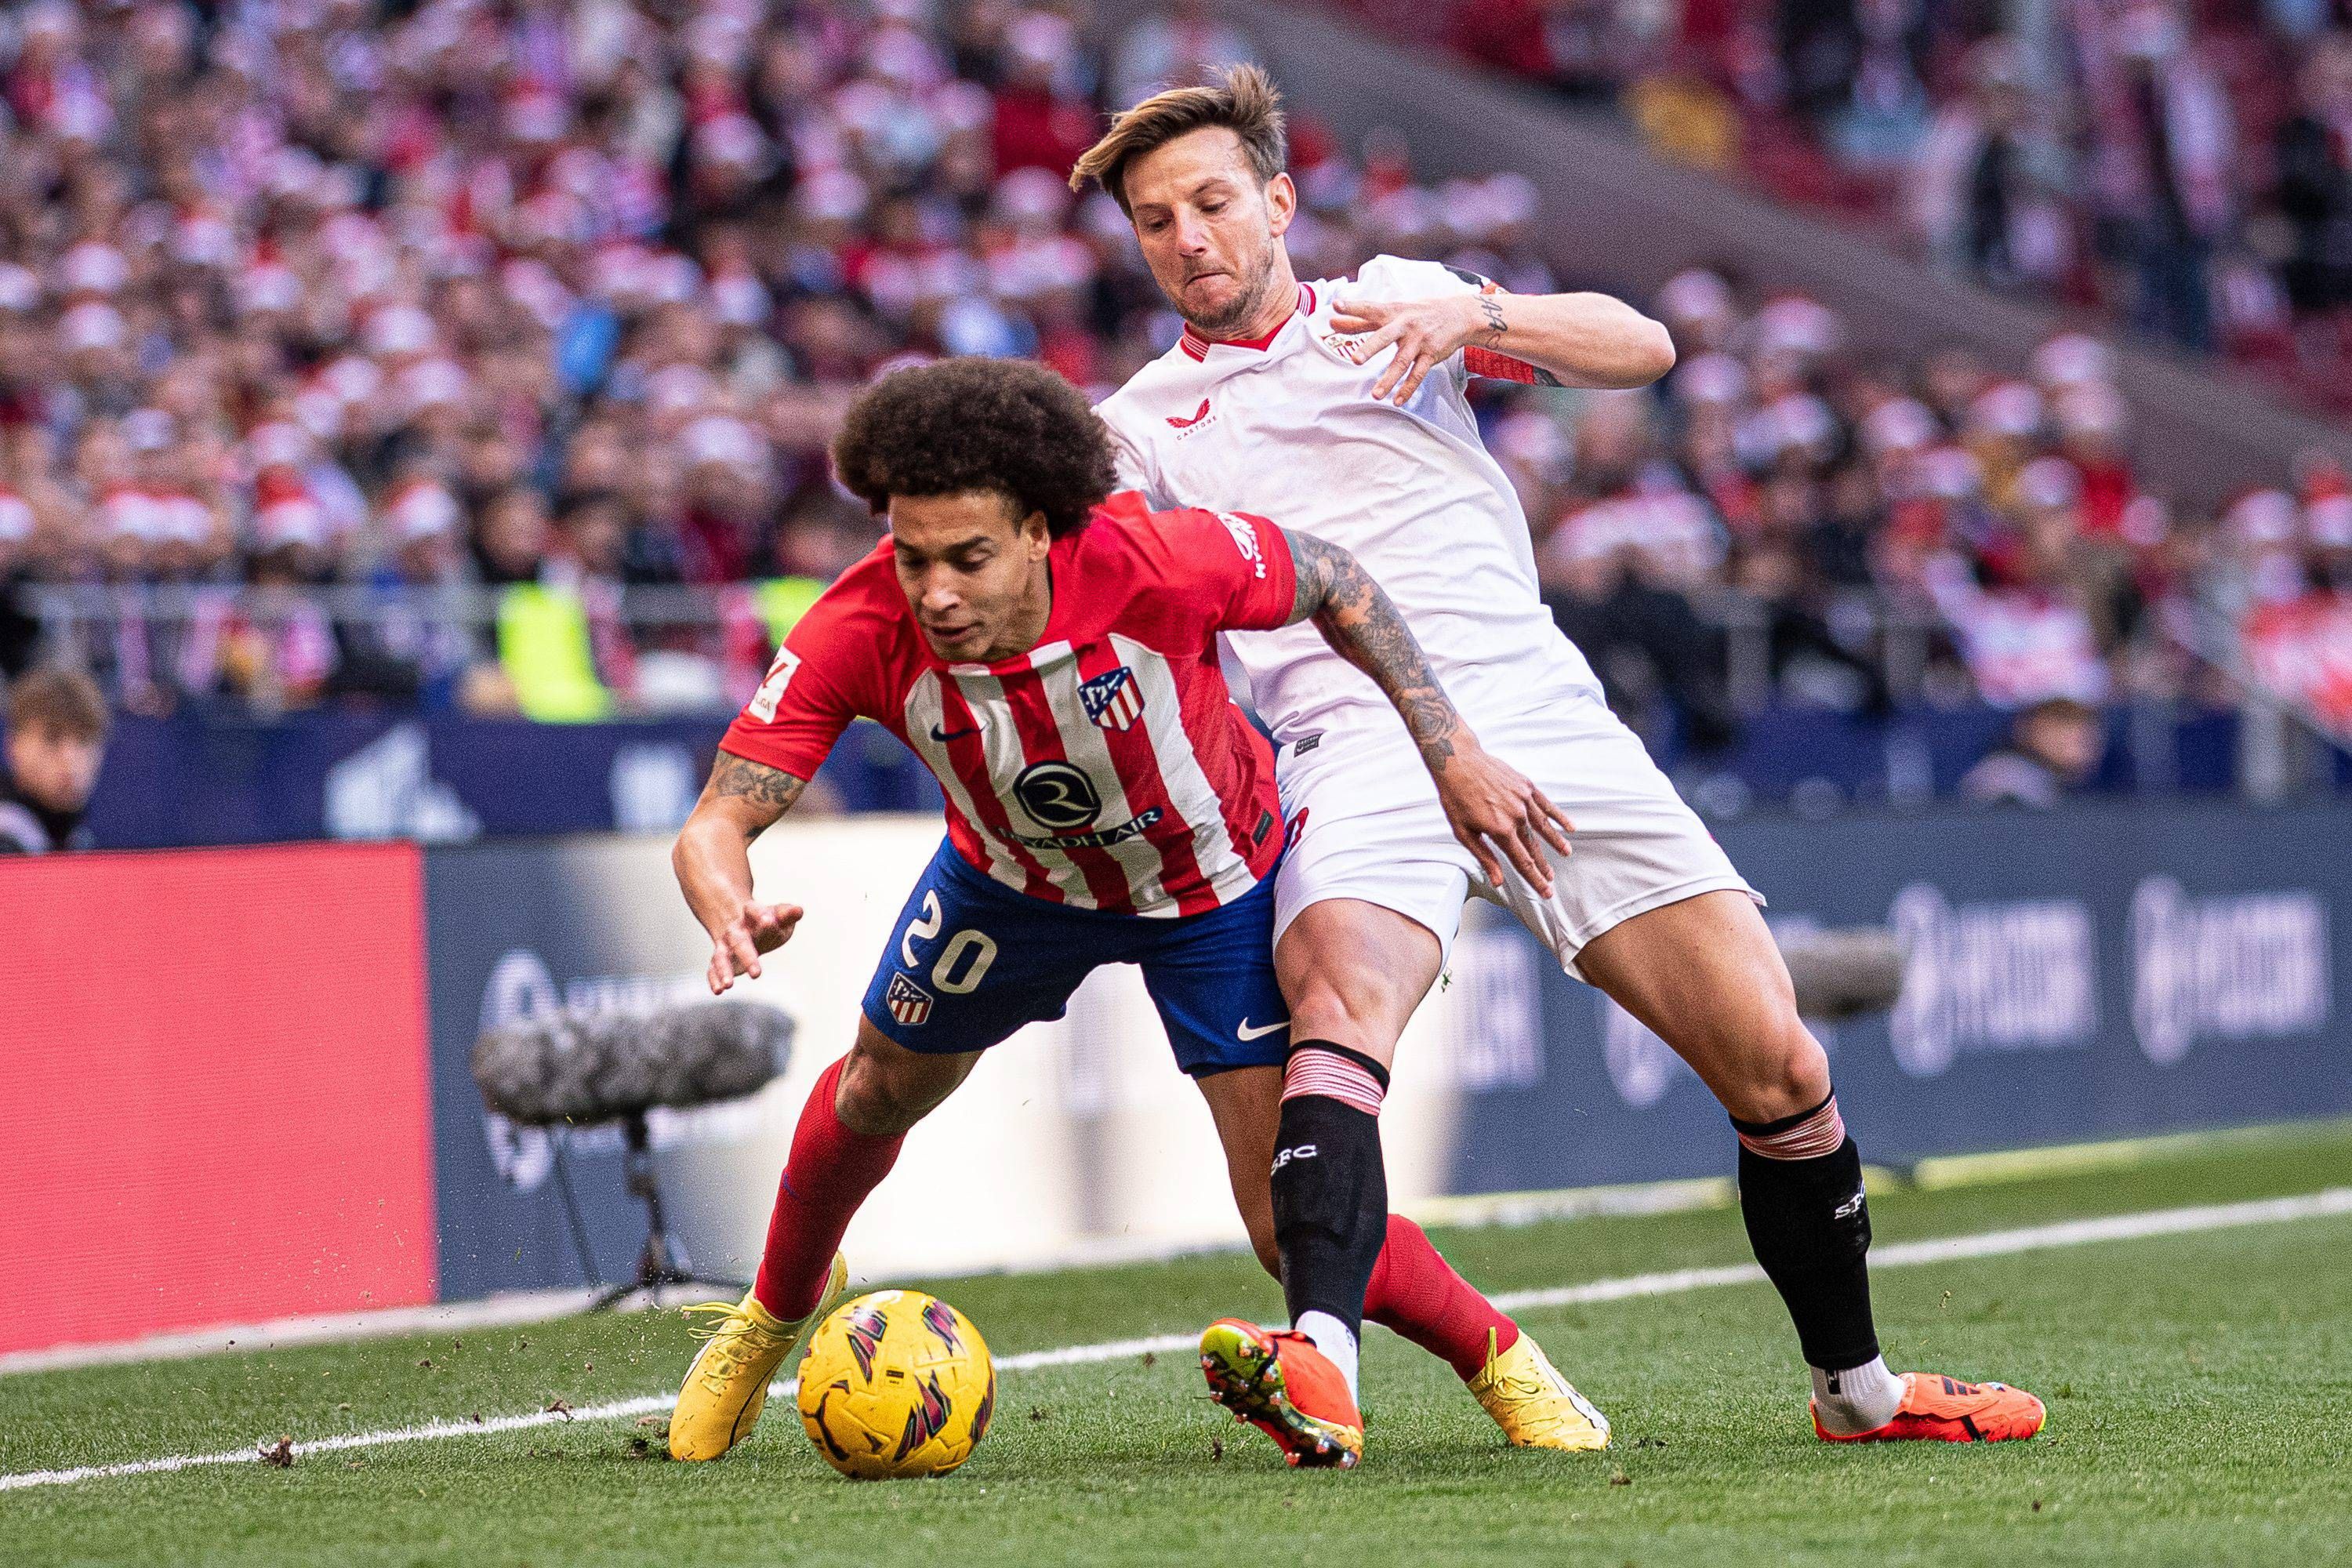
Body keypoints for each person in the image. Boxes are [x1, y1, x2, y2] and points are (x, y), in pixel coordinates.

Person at [1076, 64, 2045, 1467]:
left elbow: (1641, 345)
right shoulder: (1141, 428)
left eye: (1214, 202)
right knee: (1338, 989)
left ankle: (1861, 1392)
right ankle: (1322, 1365)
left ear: (1279, 202)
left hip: (1539, 713)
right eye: (1157, 222)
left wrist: (1475, 311)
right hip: (1356, 740)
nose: (1190, 239)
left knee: (1776, 1065)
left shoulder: (1392, 302)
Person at [662, 358, 1606, 1464]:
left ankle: (1500, 1358)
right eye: (914, 559)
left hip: (1212, 893)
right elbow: (715, 823)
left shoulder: (1158, 561)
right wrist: (726, 908)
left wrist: (1450, 752)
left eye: (968, 559)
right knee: (876, 1085)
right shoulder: (861, 623)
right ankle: (769, 1316)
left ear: (1039, 533)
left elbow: (1338, 581)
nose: (937, 593)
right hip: (1012, 888)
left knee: (1282, 1230)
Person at [0, 665, 107, 854]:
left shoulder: (77, 836)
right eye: (52, 739)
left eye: (84, 741)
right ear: (13, 746)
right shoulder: (7, 835)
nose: (71, 763)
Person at [1958, 697, 2106, 807]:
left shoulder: (2089, 785)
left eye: (2084, 740)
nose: (2076, 744)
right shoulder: (2006, 776)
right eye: (2061, 721)